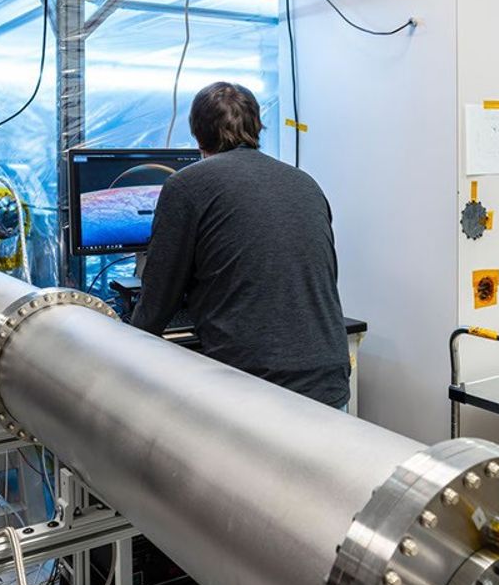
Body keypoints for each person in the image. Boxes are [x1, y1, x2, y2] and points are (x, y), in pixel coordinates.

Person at [131, 82, 350, 408]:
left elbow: (159, 299)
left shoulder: (187, 185)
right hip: (328, 378)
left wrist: (124, 347)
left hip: (256, 388)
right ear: (257, 127)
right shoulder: (305, 182)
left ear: (197, 133)